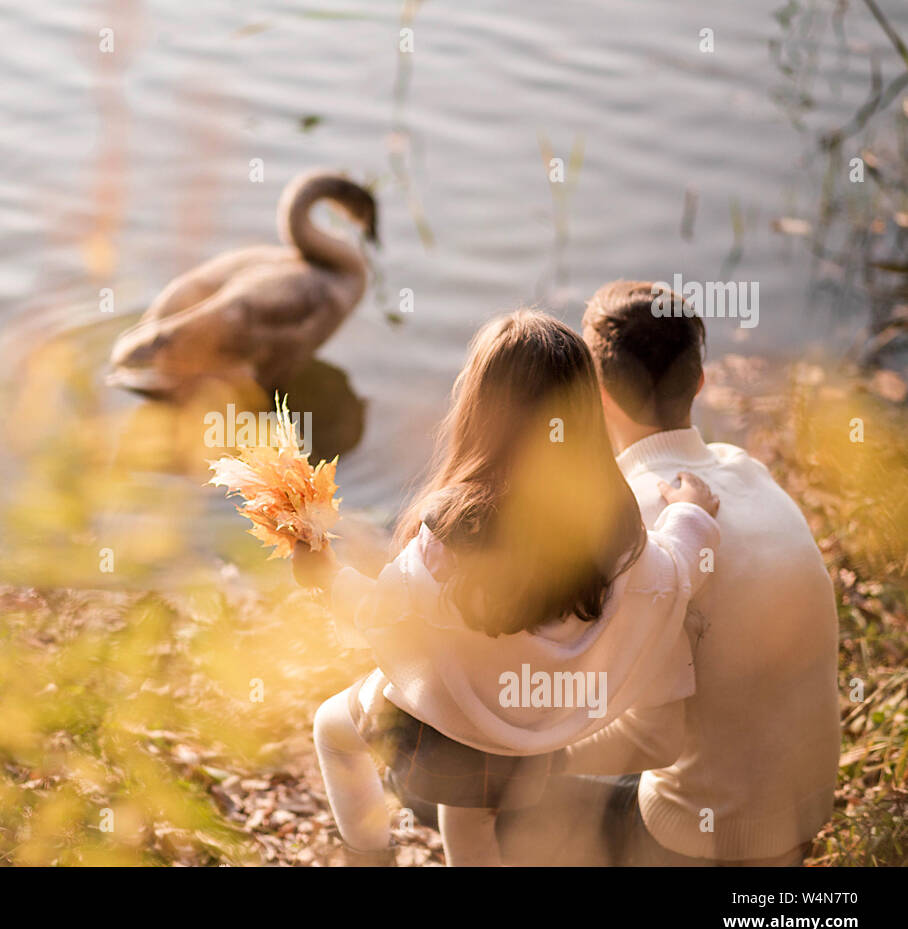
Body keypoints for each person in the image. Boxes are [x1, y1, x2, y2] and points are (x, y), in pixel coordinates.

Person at [293, 309, 721, 865]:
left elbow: (384, 615)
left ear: (478, 412)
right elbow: (676, 573)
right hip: (534, 736)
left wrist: (325, 577)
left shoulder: (453, 528)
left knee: (332, 730)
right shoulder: (615, 525)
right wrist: (689, 514)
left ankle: (367, 856)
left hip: (446, 731)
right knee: (470, 822)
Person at [495, 281, 841, 867]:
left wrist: (529, 756)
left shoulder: (628, 522)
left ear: (595, 394)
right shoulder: (750, 473)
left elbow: (654, 739)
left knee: (499, 794)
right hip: (798, 817)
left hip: (702, 840)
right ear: (700, 383)